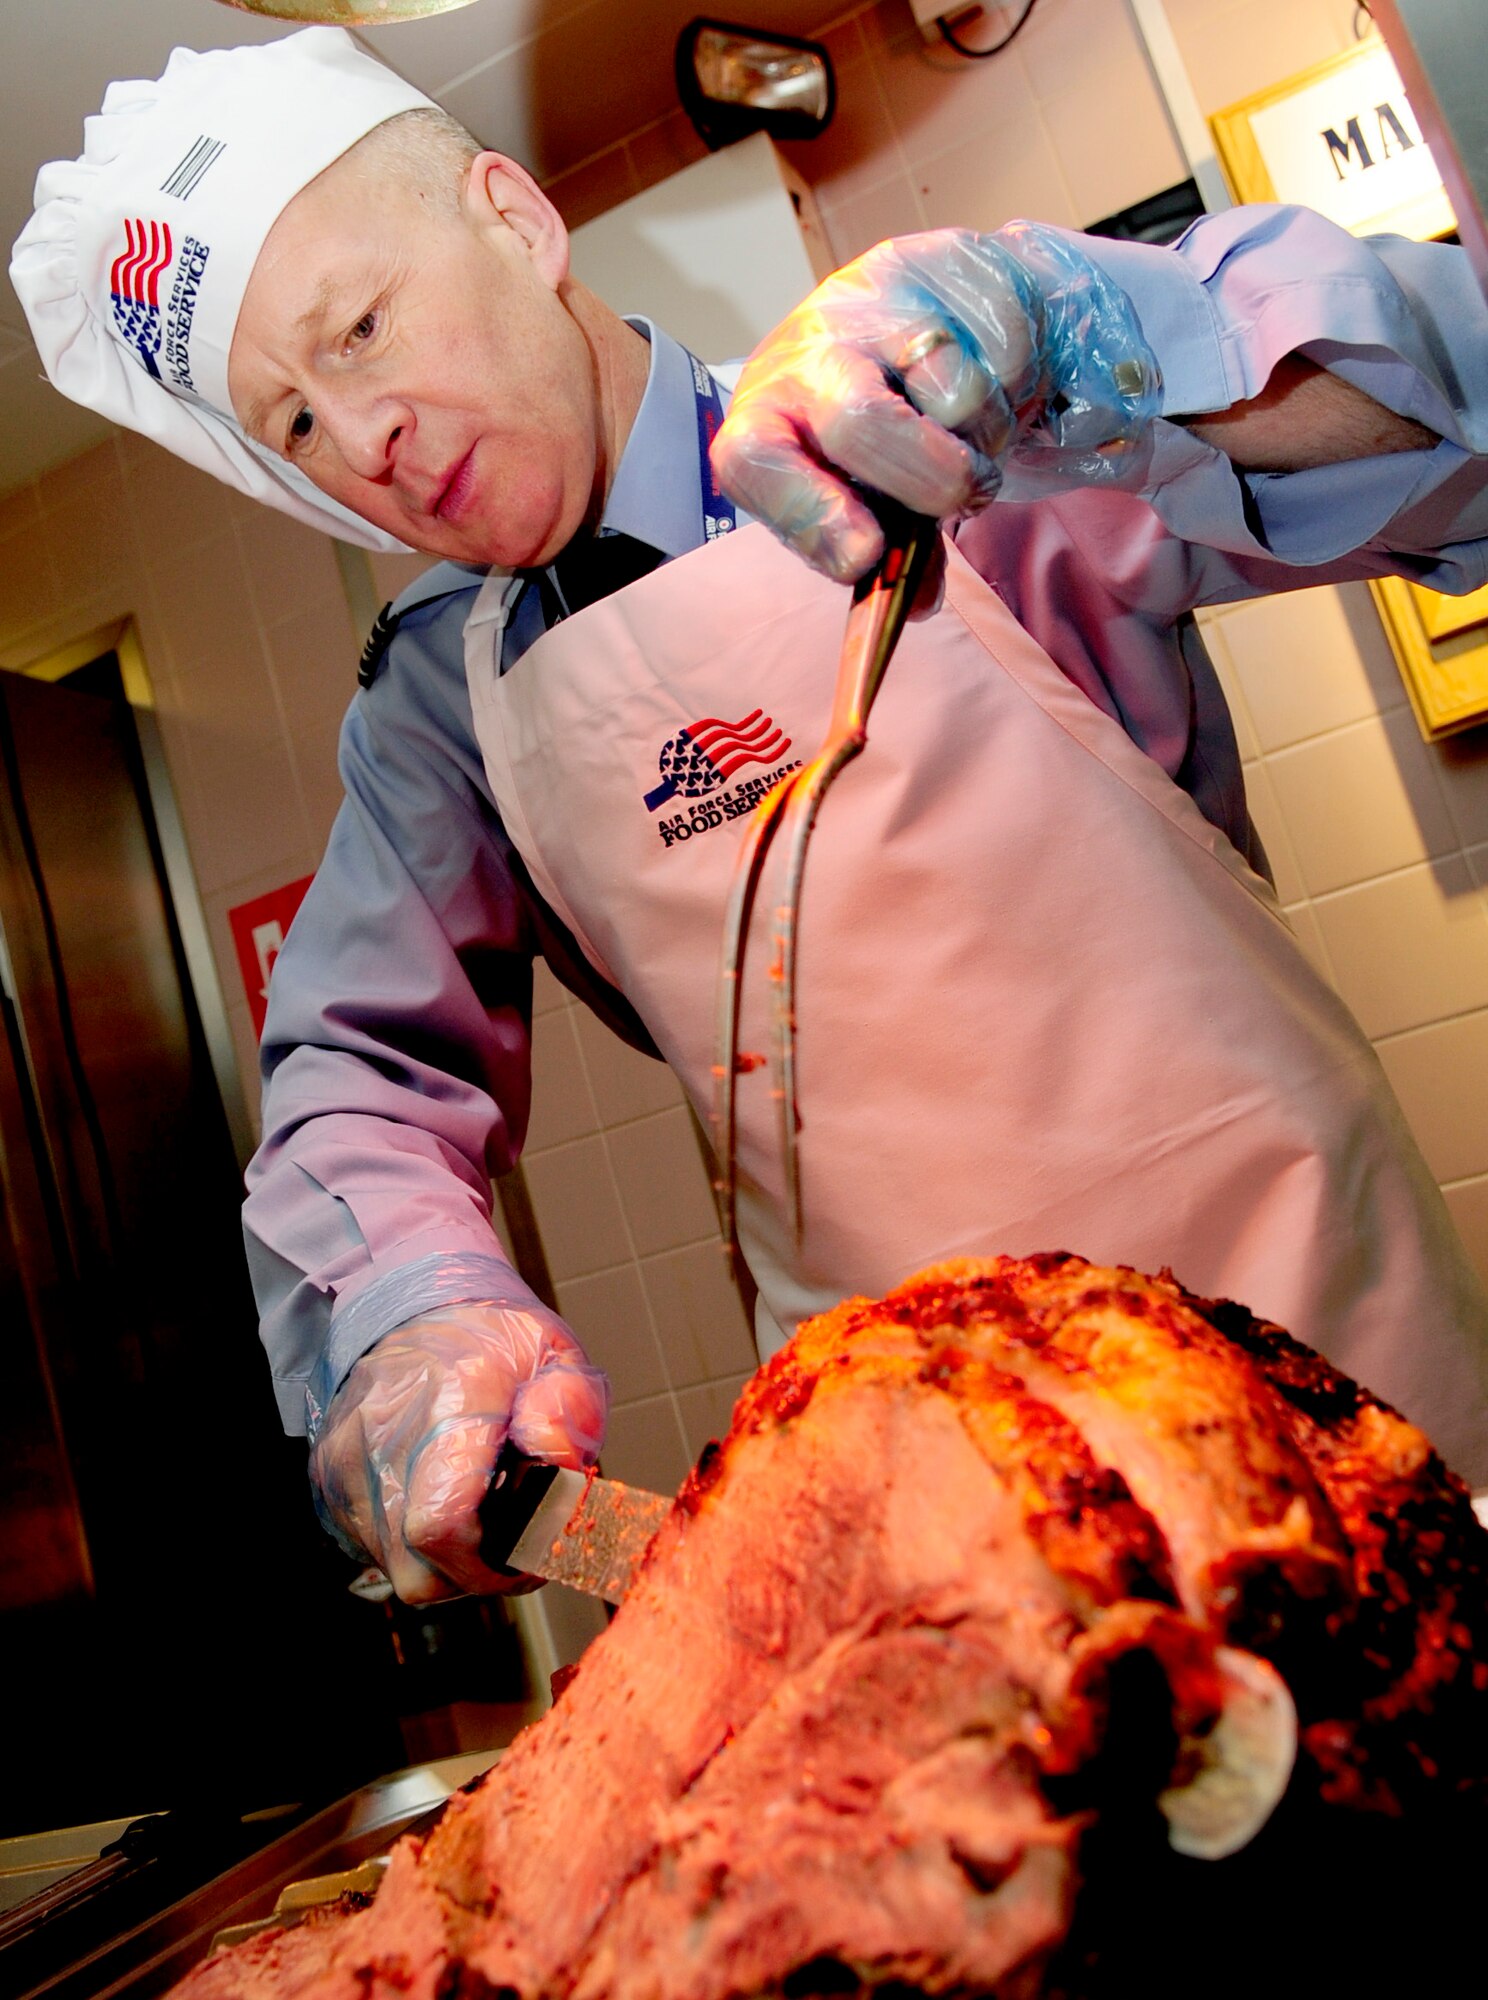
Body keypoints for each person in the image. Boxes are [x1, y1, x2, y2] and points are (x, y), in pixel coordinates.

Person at [14, 29, 1487, 1605]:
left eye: (361, 328)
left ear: (513, 217)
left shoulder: (928, 413)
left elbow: (1456, 442)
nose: (360, 437)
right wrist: (412, 1312)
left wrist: (1099, 341)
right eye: (294, 424)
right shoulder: (442, 706)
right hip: (939, 1515)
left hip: (1318, 1382)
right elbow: (360, 1079)